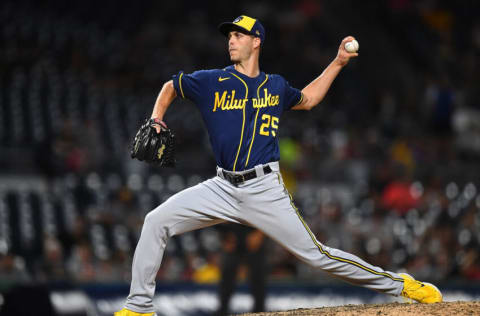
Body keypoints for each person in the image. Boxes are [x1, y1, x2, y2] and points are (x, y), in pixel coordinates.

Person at [115, 15, 442, 316]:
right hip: (222, 186)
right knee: (156, 220)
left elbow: (309, 99)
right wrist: (157, 119)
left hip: (263, 189)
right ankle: (138, 307)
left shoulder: (276, 86)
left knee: (318, 255)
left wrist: (338, 62)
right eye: (229, 35)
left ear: (256, 41)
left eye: (238, 35)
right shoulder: (210, 81)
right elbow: (171, 86)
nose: (231, 40)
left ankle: (402, 285)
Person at [215, 224, 267, 316]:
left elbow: (269, 210)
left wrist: (260, 231)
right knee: (226, 277)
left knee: (258, 278)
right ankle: (222, 311)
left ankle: (260, 311)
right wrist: (224, 235)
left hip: (254, 229)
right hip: (231, 232)